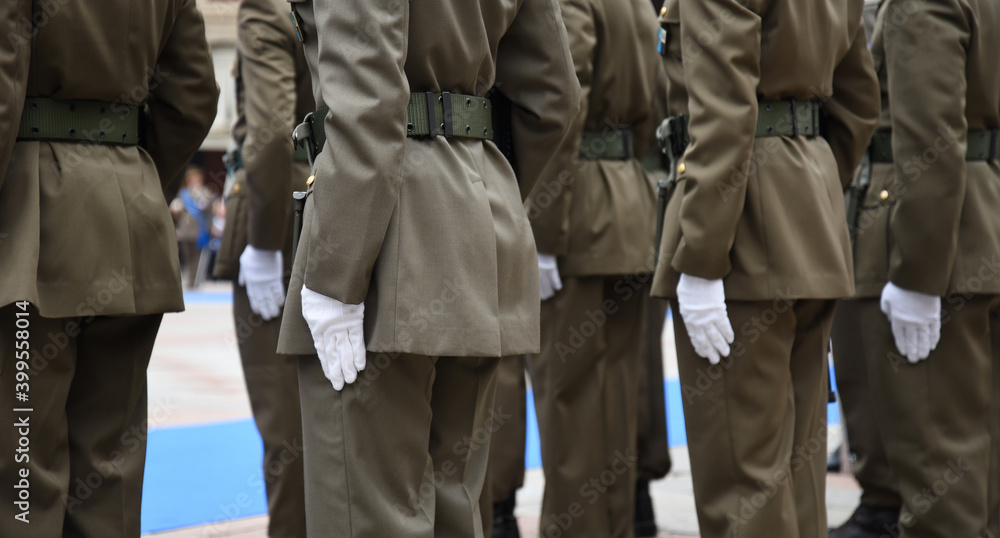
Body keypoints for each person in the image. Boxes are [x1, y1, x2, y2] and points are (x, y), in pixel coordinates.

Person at [275, 1, 580, 536]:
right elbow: (553, 95)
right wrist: (476, 192)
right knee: (454, 509)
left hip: (380, 243)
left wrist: (336, 274)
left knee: (365, 515)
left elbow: (368, 97)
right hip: (478, 225)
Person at [650, 0, 880, 536]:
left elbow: (725, 112)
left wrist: (703, 259)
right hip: (808, 220)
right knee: (798, 480)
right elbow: (858, 106)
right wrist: (809, 187)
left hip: (738, 236)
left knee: (742, 487)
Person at [0, 0, 219, 536]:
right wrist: (132, 183)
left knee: (21, 478)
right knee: (108, 475)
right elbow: (192, 94)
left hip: (32, 229)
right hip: (126, 228)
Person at [856, 1, 1000, 536]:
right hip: (983, 221)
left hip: (944, 244)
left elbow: (931, 140)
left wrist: (917, 275)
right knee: (983, 480)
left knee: (942, 484)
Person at [523, 0, 664, 536]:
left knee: (570, 402)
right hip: (627, 204)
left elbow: (562, 103)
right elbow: (656, 100)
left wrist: (543, 230)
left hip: (576, 216)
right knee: (616, 402)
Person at [212, 0, 314, 535]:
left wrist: (264, 242)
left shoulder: (268, 7)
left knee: (286, 429)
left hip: (282, 219)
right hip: (346, 202)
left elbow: (273, 131)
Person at [829, 2, 904, 535]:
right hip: (871, 178)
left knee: (879, 358)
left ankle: (887, 500)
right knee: (861, 360)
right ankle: (881, 494)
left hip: (890, 179)